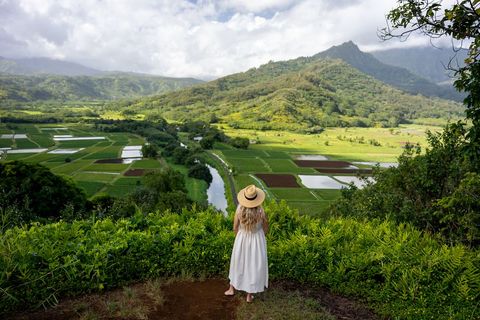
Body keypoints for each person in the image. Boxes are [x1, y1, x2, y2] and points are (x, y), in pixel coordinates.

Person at [224, 184, 269, 302]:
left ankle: (231, 288)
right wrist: (260, 237)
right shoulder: (261, 211)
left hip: (242, 238)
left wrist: (239, 237)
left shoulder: (239, 210)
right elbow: (266, 229)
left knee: (237, 262)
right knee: (253, 265)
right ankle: (249, 295)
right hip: (257, 240)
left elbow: (235, 227)